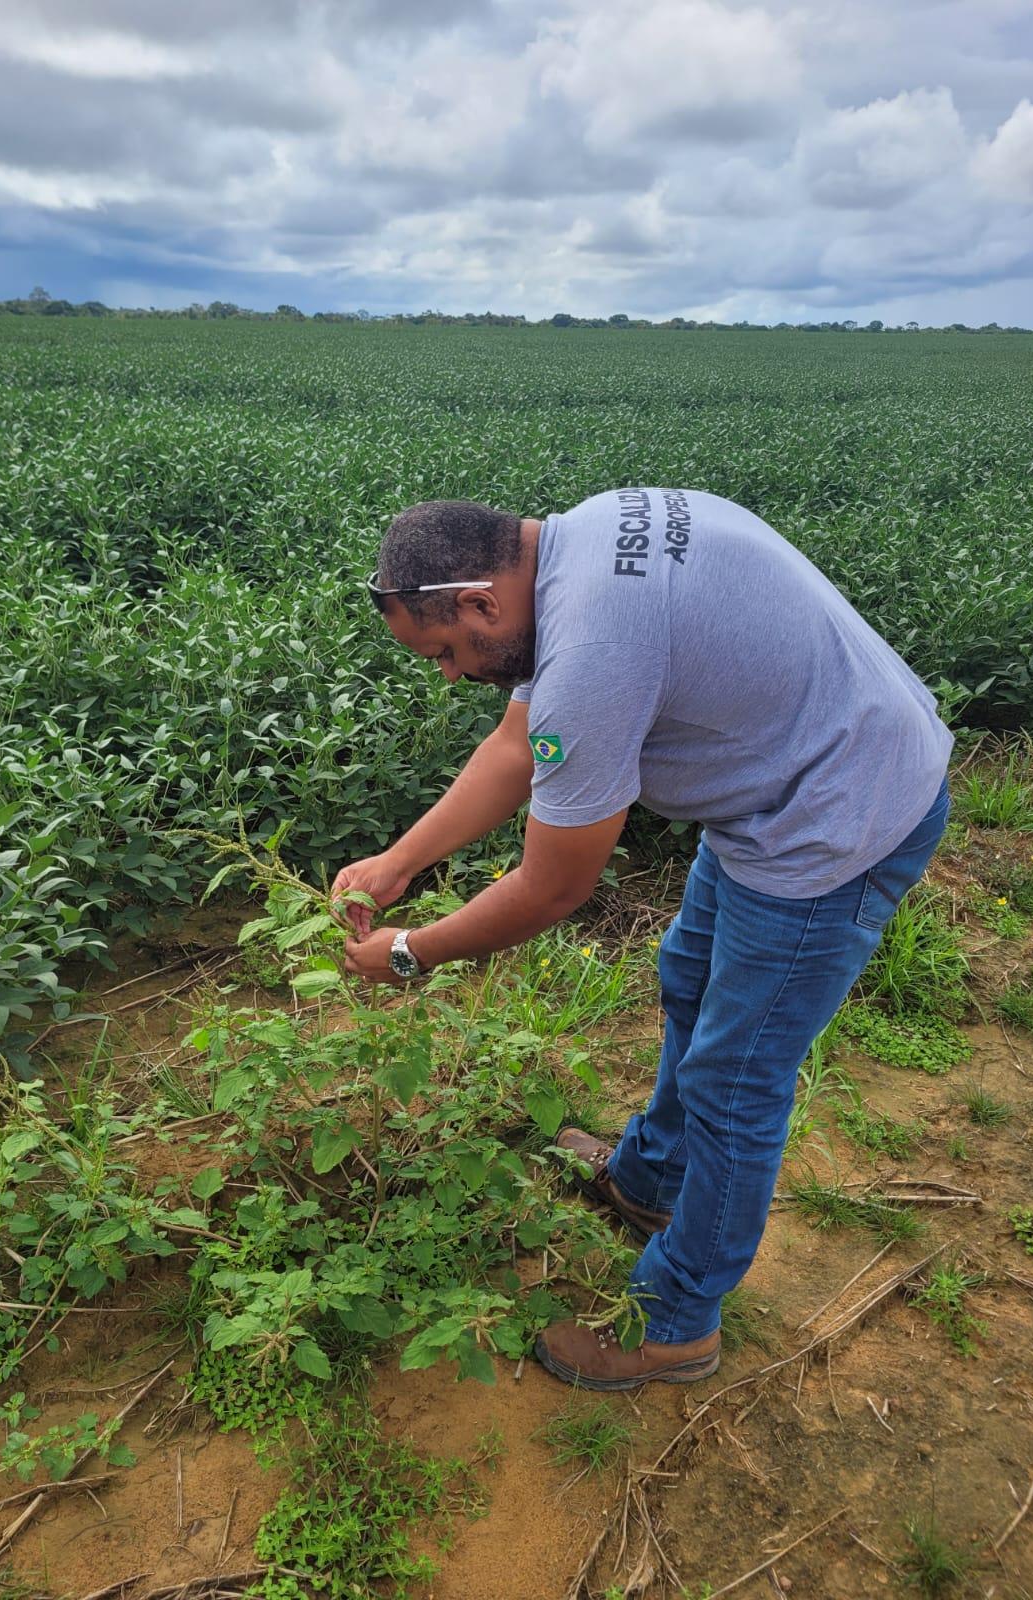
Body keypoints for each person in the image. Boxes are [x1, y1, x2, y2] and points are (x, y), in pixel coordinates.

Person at [332, 492, 952, 1391]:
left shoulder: (592, 655)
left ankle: (677, 1323)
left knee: (736, 1081)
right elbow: (516, 745)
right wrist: (399, 862)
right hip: (788, 783)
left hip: (837, 820)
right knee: (689, 978)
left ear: (479, 603)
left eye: (444, 652)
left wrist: (409, 952)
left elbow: (552, 887)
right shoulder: (577, 548)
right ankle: (650, 1179)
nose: (446, 674)